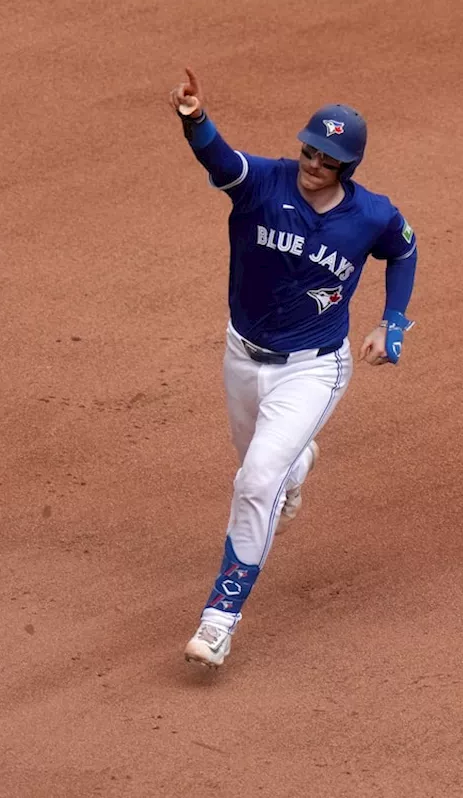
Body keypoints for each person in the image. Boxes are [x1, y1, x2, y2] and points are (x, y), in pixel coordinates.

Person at [168, 68, 419, 668]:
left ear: (346, 168)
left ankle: (219, 618)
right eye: (309, 150)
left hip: (313, 370)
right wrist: (195, 119)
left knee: (255, 482)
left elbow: (405, 246)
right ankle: (298, 461)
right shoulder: (264, 183)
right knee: (263, 463)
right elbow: (221, 161)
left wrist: (395, 321)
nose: (312, 164)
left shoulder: (372, 216)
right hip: (241, 356)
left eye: (327, 159)